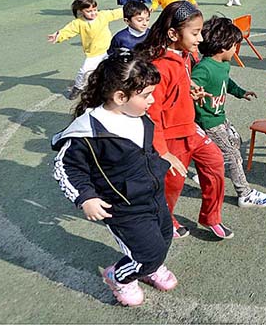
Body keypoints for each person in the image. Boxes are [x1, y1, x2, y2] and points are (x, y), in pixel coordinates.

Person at [52, 53, 182, 306]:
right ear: (120, 97)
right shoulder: (89, 131)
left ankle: (147, 266)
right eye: (146, 95)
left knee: (164, 236)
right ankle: (119, 277)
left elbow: (146, 153)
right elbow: (65, 166)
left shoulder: (140, 118)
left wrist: (159, 163)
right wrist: (85, 197)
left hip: (153, 197)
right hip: (123, 208)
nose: (152, 100)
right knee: (148, 251)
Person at [135, 1, 233, 240]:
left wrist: (191, 90)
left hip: (191, 128)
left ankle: (212, 218)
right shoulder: (158, 67)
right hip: (170, 137)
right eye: (195, 33)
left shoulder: (186, 55)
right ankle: (165, 218)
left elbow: (181, 82)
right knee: (173, 183)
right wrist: (162, 151)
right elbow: (152, 112)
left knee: (215, 162)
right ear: (172, 34)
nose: (200, 39)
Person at [191, 16, 266, 208]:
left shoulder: (223, 64)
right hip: (208, 121)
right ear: (222, 47)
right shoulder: (204, 68)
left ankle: (206, 171)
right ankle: (244, 194)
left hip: (220, 116)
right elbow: (190, 82)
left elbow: (225, 82)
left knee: (236, 141)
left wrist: (240, 92)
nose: (236, 49)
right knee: (232, 154)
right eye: (234, 46)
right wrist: (195, 91)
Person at [47, 0, 124, 99]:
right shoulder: (78, 23)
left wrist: (132, 8)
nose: (93, 13)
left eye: (94, 9)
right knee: (84, 72)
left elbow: (116, 13)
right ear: (81, 11)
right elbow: (68, 31)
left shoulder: (103, 15)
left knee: (115, 69)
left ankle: (115, 87)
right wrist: (58, 36)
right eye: (89, 11)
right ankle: (78, 87)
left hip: (109, 50)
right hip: (93, 53)